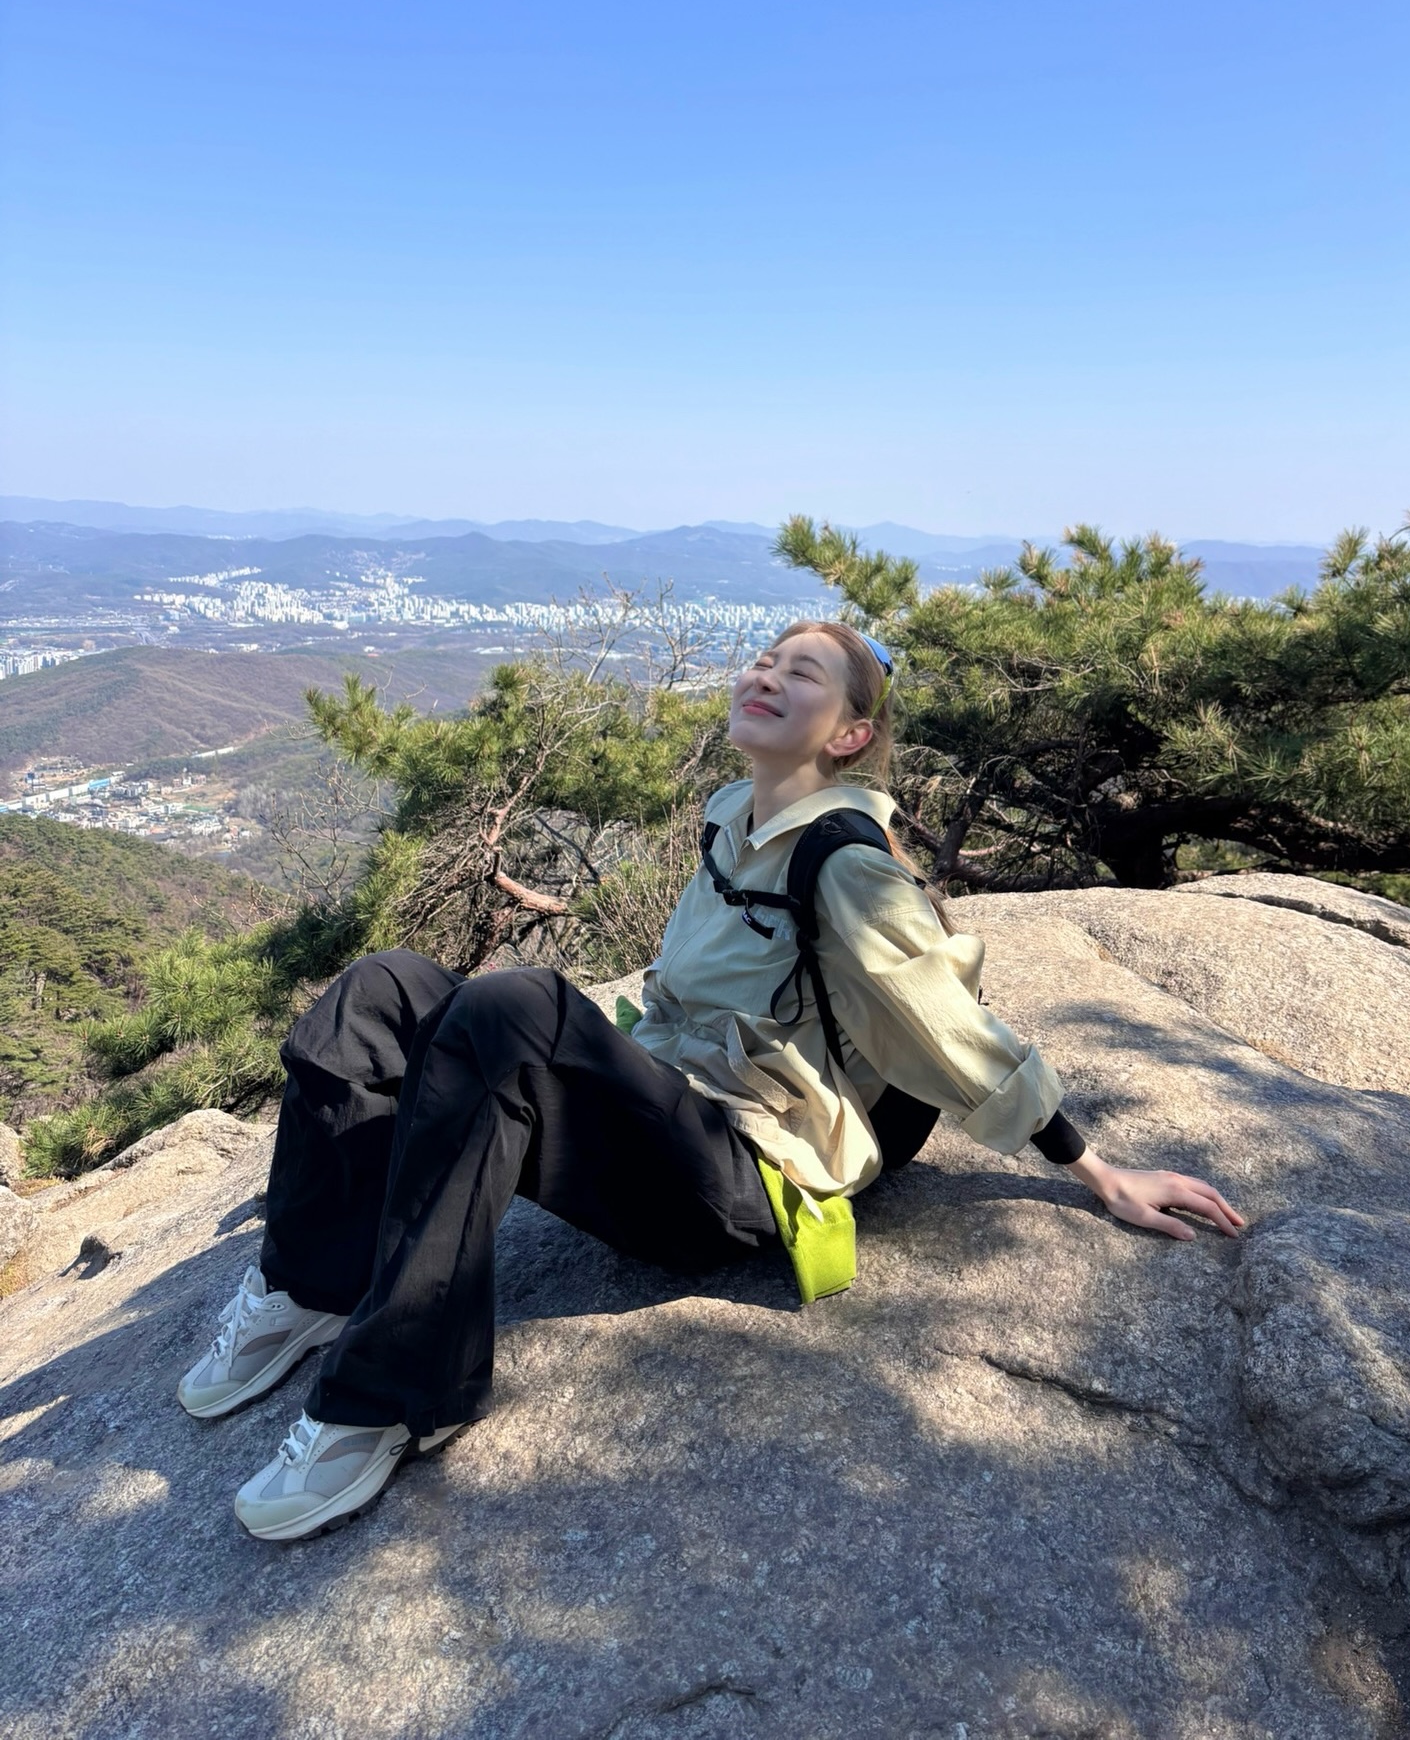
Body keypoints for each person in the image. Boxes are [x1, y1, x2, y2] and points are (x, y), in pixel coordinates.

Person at [178, 621, 1243, 1542]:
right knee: (381, 989)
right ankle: (312, 1286)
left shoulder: (846, 862)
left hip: (740, 1171)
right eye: (766, 659)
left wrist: (1096, 1168)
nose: (769, 674)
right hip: (670, 1101)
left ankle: (396, 1397)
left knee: (514, 1008)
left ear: (851, 735)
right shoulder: (734, 815)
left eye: (804, 674)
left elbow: (951, 1030)